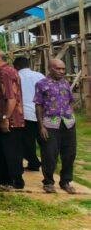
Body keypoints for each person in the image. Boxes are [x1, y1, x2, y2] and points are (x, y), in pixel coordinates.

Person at [34, 59, 77, 194]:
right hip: (50, 124)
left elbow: (70, 101)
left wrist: (71, 115)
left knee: (70, 154)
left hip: (68, 124)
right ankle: (48, 182)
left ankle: (65, 181)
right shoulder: (41, 84)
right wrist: (41, 126)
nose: (62, 71)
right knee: (49, 154)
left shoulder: (65, 83)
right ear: (50, 68)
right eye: (58, 69)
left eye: (63, 69)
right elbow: (38, 105)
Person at [0, 50, 25, 190]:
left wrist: (5, 118)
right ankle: (4, 179)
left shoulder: (6, 73)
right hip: (2, 118)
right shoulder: (3, 72)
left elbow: (11, 98)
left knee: (11, 151)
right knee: (2, 150)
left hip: (11, 120)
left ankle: (15, 181)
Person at [13, 56, 45, 172]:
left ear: (15, 66)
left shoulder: (17, 76)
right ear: (28, 65)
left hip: (25, 113)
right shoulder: (40, 75)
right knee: (42, 140)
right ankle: (46, 162)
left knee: (27, 141)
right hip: (40, 112)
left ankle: (34, 162)